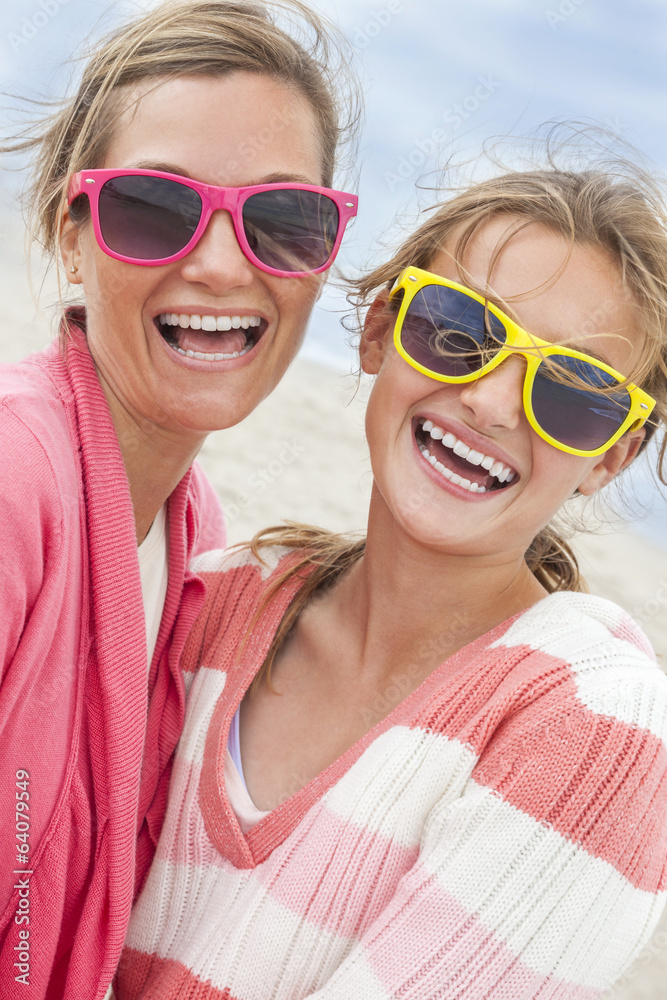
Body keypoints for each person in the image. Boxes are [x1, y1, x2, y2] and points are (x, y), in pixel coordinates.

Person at [116, 162, 667, 999]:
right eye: (458, 330)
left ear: (610, 456)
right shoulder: (208, 601)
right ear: (378, 331)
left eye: (572, 390)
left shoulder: (597, 723)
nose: (490, 401)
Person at [0, 1, 360, 996]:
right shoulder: (16, 483)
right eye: (154, 207)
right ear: (71, 238)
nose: (217, 262)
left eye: (284, 222)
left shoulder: (190, 531)